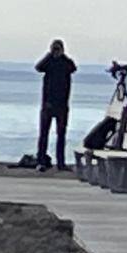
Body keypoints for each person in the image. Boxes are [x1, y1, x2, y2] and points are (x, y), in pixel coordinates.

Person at [35, 39, 77, 171]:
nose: (56, 52)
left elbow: (73, 68)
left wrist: (63, 56)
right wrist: (49, 55)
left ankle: (61, 163)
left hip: (62, 106)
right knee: (44, 135)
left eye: (58, 49)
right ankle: (41, 161)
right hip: (47, 105)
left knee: (61, 135)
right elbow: (38, 67)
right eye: (54, 49)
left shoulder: (66, 64)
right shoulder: (48, 63)